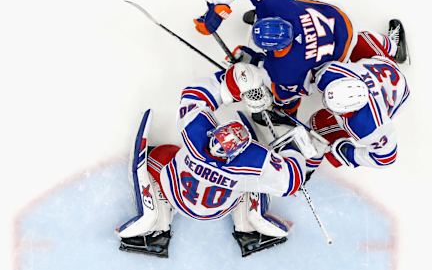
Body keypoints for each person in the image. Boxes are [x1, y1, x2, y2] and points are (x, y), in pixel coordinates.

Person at [115, 63, 317, 257]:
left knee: (161, 154)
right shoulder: (251, 161)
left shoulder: (197, 134)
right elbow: (291, 182)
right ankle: (248, 226)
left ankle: (157, 223)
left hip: (178, 197)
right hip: (219, 209)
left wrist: (232, 83)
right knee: (254, 181)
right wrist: (296, 150)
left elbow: (193, 94)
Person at [194, 0, 408, 125]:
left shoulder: (286, 70)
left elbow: (288, 93)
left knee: (296, 90)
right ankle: (388, 46)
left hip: (337, 53)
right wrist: (218, 5)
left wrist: (255, 64)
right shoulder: (281, 8)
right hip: (337, 18)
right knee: (357, 38)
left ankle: (287, 118)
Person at [308, 45, 409, 169]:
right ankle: (394, 48)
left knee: (317, 127)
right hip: (386, 65)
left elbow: (386, 158)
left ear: (349, 111)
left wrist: (349, 154)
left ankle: (307, 170)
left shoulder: (369, 126)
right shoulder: (330, 74)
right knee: (357, 41)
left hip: (400, 96)